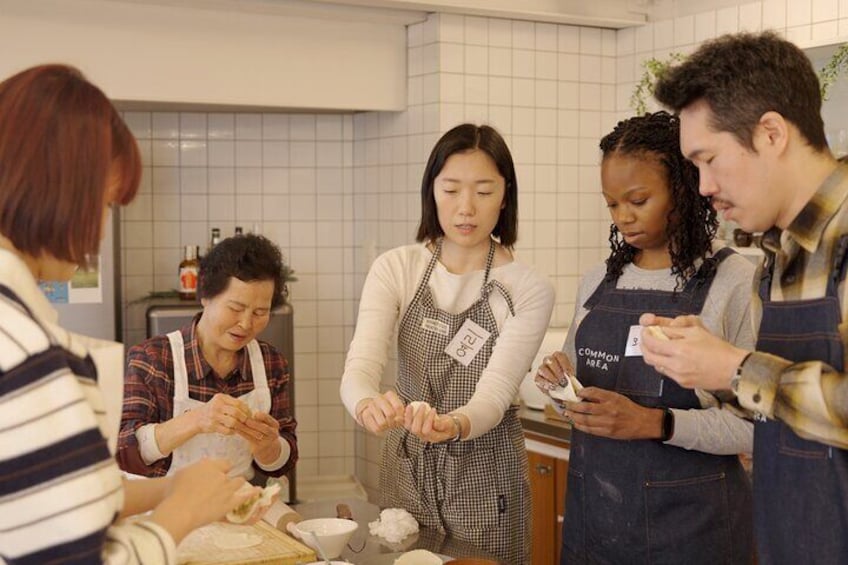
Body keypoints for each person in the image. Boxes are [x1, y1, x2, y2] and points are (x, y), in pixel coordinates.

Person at [0, 64, 258, 564]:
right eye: (103, 203)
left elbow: (50, 500)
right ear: (59, 190)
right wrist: (181, 512)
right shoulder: (24, 349)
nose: (98, 232)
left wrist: (168, 491)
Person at [639, 31, 848, 563]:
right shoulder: (776, 257)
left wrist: (736, 369)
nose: (704, 186)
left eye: (709, 159)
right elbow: (788, 414)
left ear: (771, 133)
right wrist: (706, 367)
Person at [536, 111, 755, 564]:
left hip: (693, 532)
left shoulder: (732, 281)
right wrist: (561, 388)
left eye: (638, 199)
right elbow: (575, 397)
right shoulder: (599, 280)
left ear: (684, 185)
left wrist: (653, 423)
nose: (623, 218)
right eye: (612, 204)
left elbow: (755, 429)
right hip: (595, 523)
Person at [339, 123, 554, 564]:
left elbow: (494, 397)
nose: (466, 209)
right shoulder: (397, 267)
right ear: (431, 191)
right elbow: (360, 367)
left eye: (484, 191)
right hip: (407, 470)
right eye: (451, 190)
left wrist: (452, 424)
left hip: (486, 475)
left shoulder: (527, 287)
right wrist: (365, 404)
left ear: (506, 195)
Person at [118, 234, 297, 483]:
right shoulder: (152, 359)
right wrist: (197, 419)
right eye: (235, 308)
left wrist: (269, 446)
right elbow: (125, 452)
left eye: (260, 312)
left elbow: (282, 461)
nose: (246, 324)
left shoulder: (271, 363)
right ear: (205, 296)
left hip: (238, 508)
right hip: (167, 511)